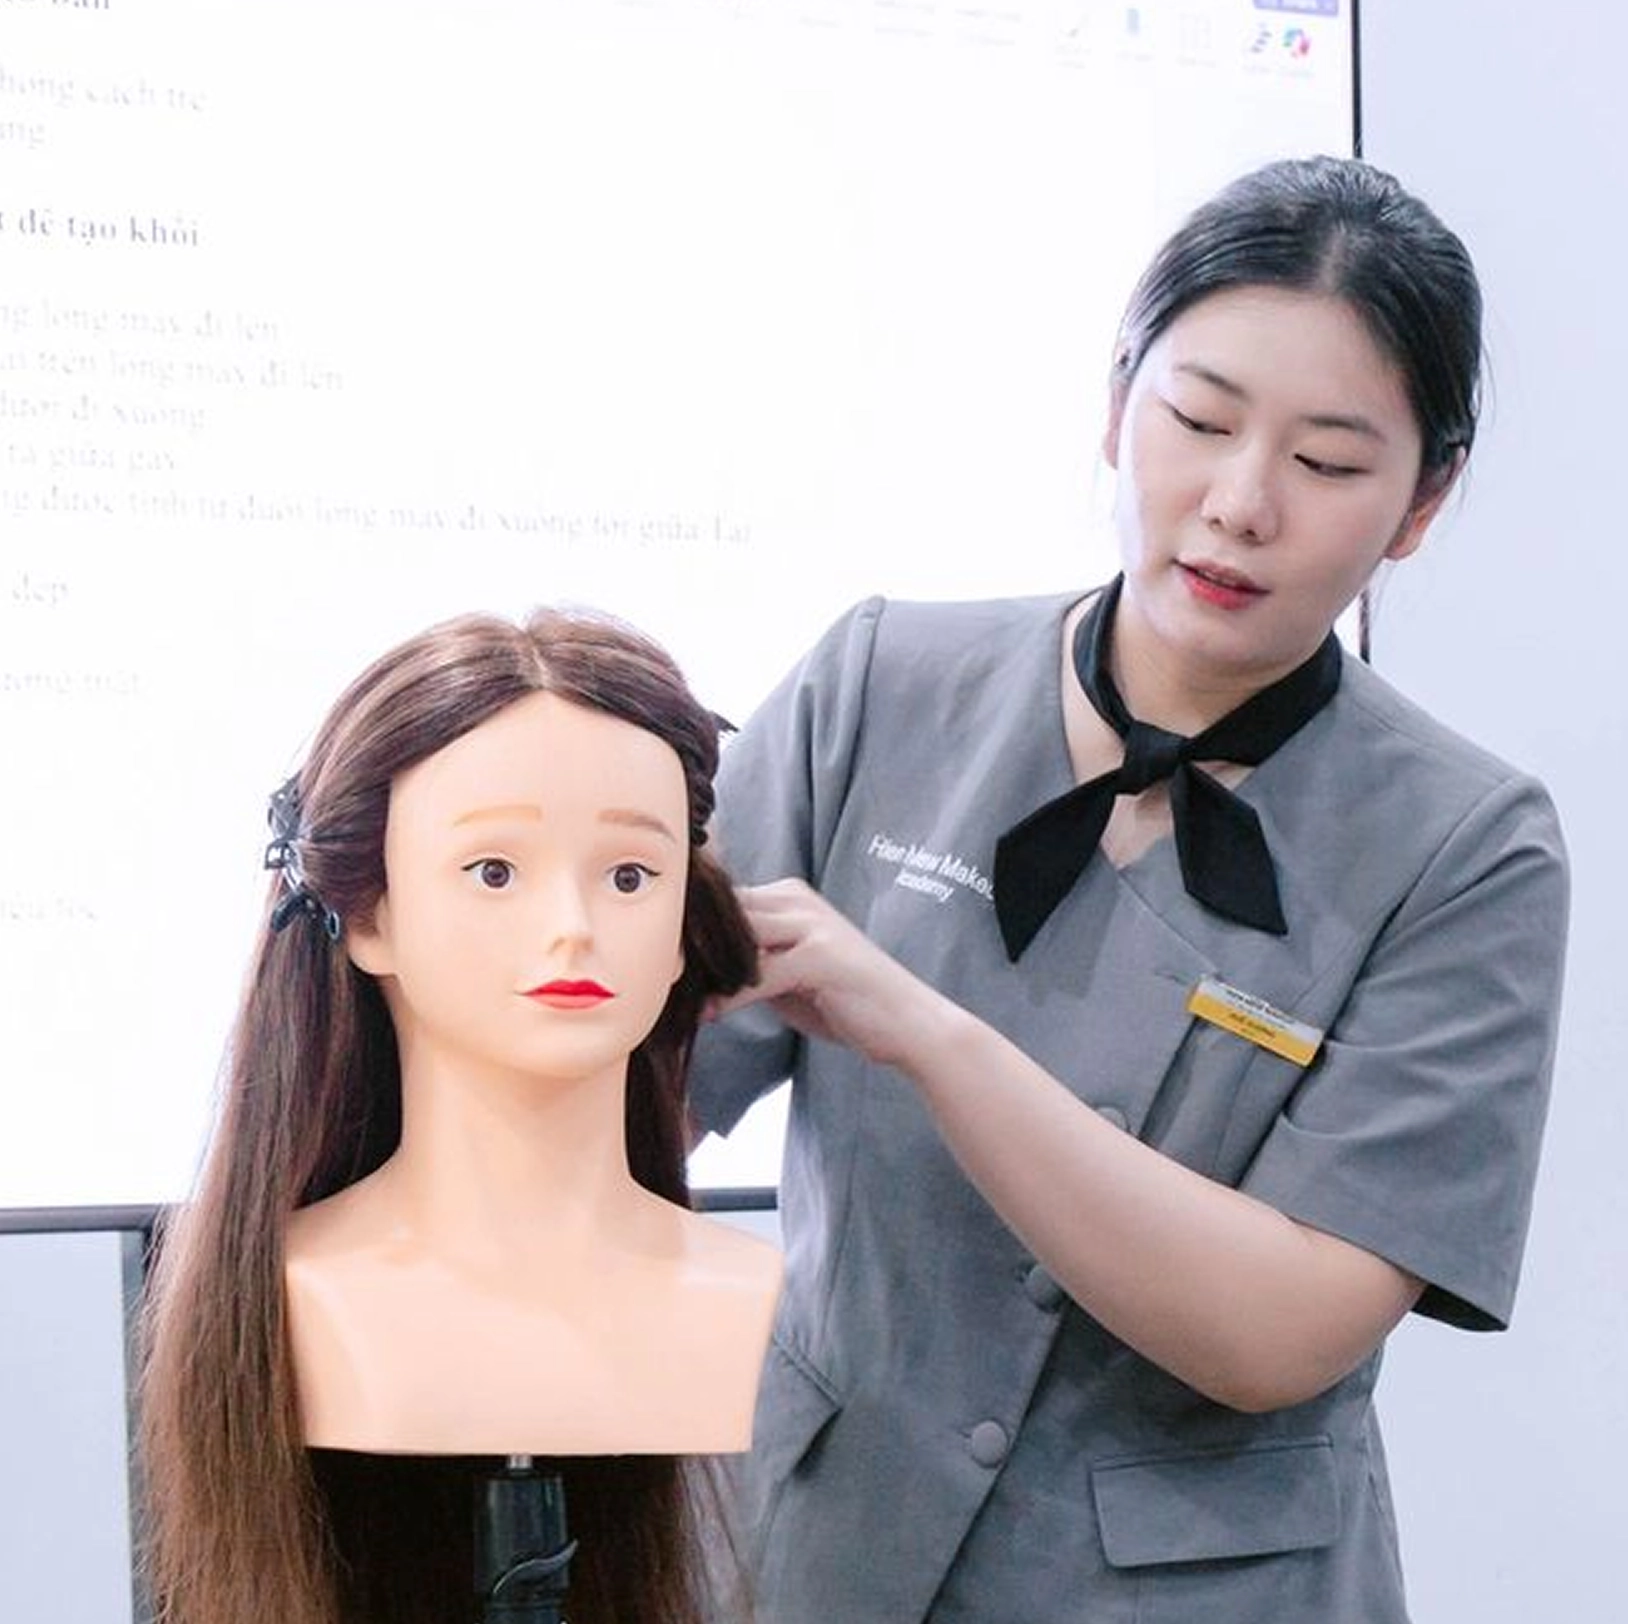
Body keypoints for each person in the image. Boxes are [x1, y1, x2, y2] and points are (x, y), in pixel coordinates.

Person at [687, 155, 1569, 1623]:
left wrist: (932, 1036)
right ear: (1117, 403)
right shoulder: (881, 683)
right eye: (1199, 421)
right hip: (822, 1549)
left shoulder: (1466, 846)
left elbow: (1277, 1330)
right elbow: (639, 1082)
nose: (1238, 504)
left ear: (1422, 503)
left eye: (1327, 463)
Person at [139, 607, 781, 1624]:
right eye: (495, 871)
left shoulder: (745, 1297)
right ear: (372, 917)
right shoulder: (297, 1298)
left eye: (628, 875)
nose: (571, 927)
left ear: (677, 931)